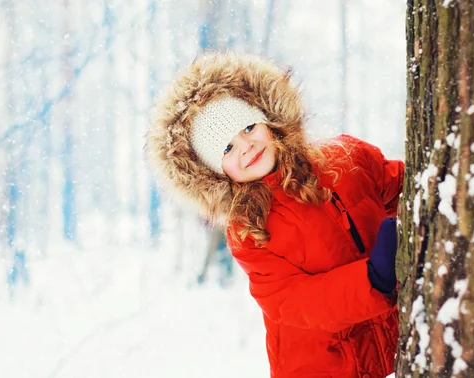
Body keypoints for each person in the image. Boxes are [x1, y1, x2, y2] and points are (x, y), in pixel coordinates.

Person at [145, 51, 404, 378]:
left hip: (399, 348)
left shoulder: (346, 158)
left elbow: (404, 188)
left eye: (248, 127)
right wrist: (373, 278)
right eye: (226, 149)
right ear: (215, 172)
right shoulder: (248, 234)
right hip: (325, 367)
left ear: (268, 121)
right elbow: (294, 301)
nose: (246, 147)